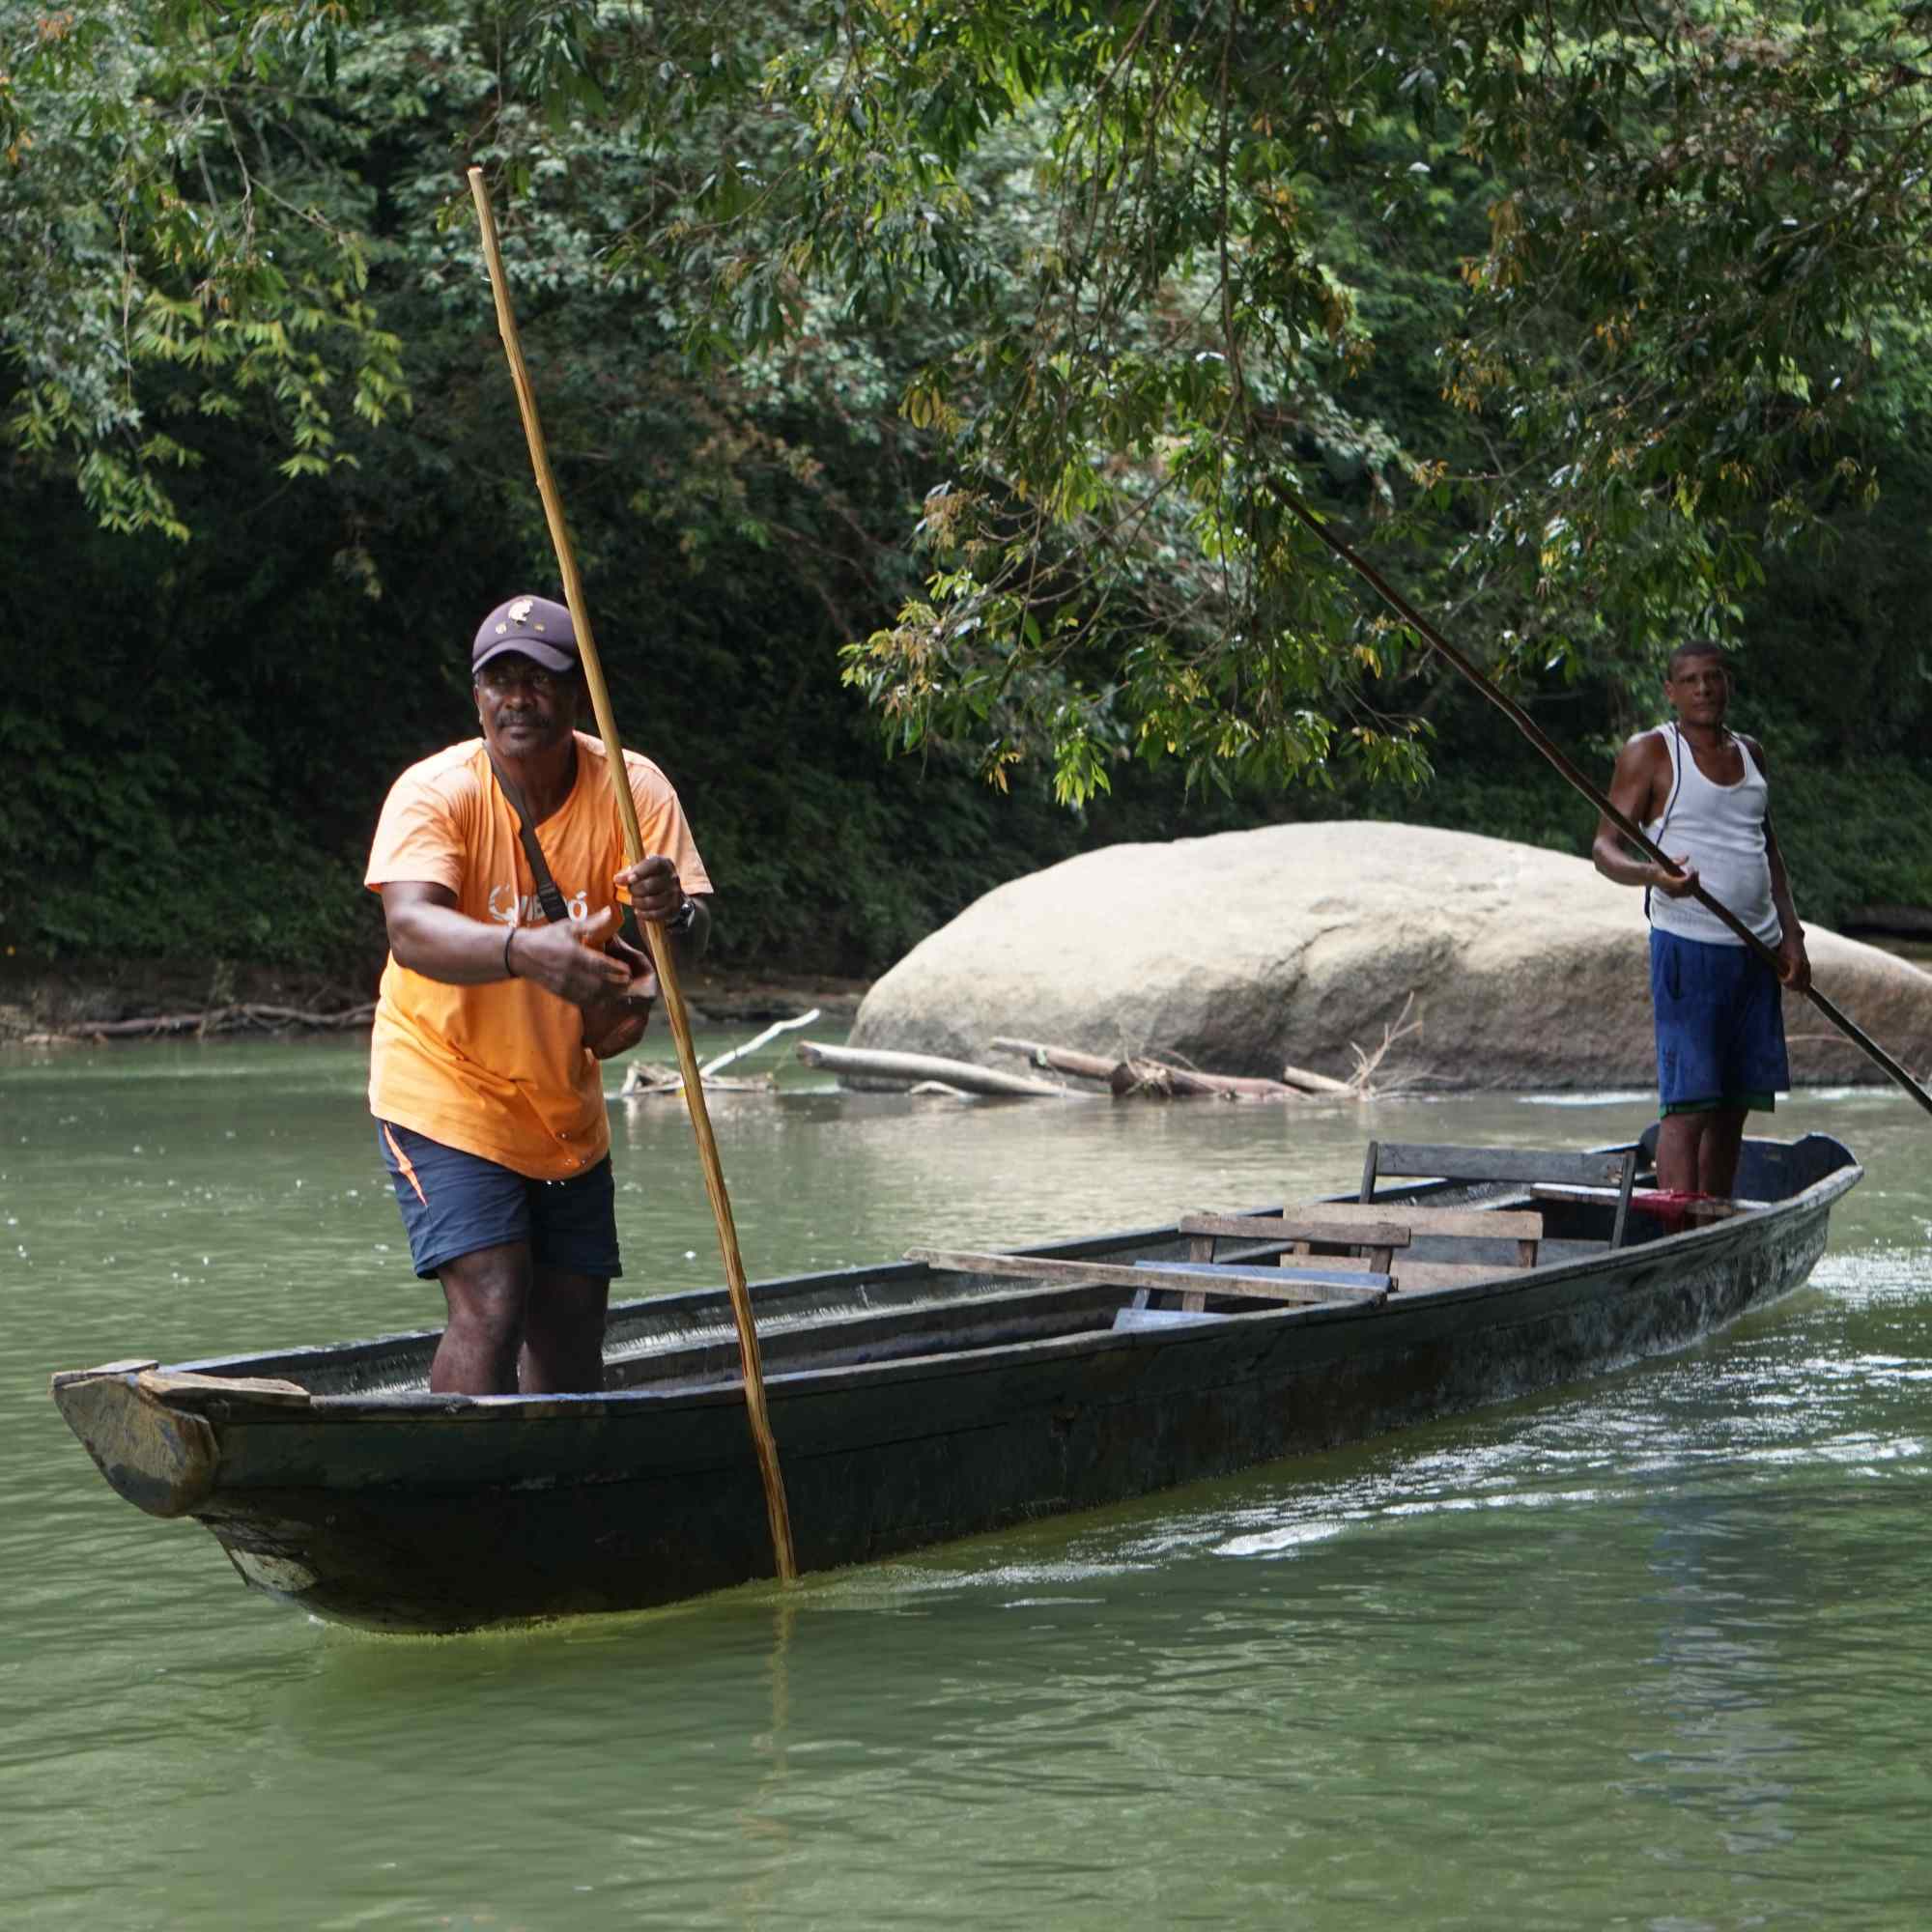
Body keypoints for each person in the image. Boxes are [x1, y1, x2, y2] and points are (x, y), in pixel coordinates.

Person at [365, 593, 712, 1396]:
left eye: (540, 679)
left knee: (571, 1324)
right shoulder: (436, 792)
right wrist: (526, 952)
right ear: (477, 695)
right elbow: (411, 930)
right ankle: (455, 1497)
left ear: (577, 696)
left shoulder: (632, 788)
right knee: (493, 1296)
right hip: (443, 1082)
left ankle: (556, 1493)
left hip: (560, 1099)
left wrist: (674, 911)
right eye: (499, 680)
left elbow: (690, 939)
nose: (516, 698)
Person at [1592, 640, 1810, 1199]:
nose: (1703, 689)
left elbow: (1770, 851)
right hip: (1689, 948)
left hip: (1756, 954)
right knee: (1689, 1105)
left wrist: (1792, 936)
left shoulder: (1752, 753)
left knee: (1734, 1106)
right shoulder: (1652, 753)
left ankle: (1713, 1218)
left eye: (1713, 678)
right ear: (1670, 691)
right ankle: (1678, 1231)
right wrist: (1653, 877)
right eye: (1689, 680)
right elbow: (1604, 849)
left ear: (1727, 684)